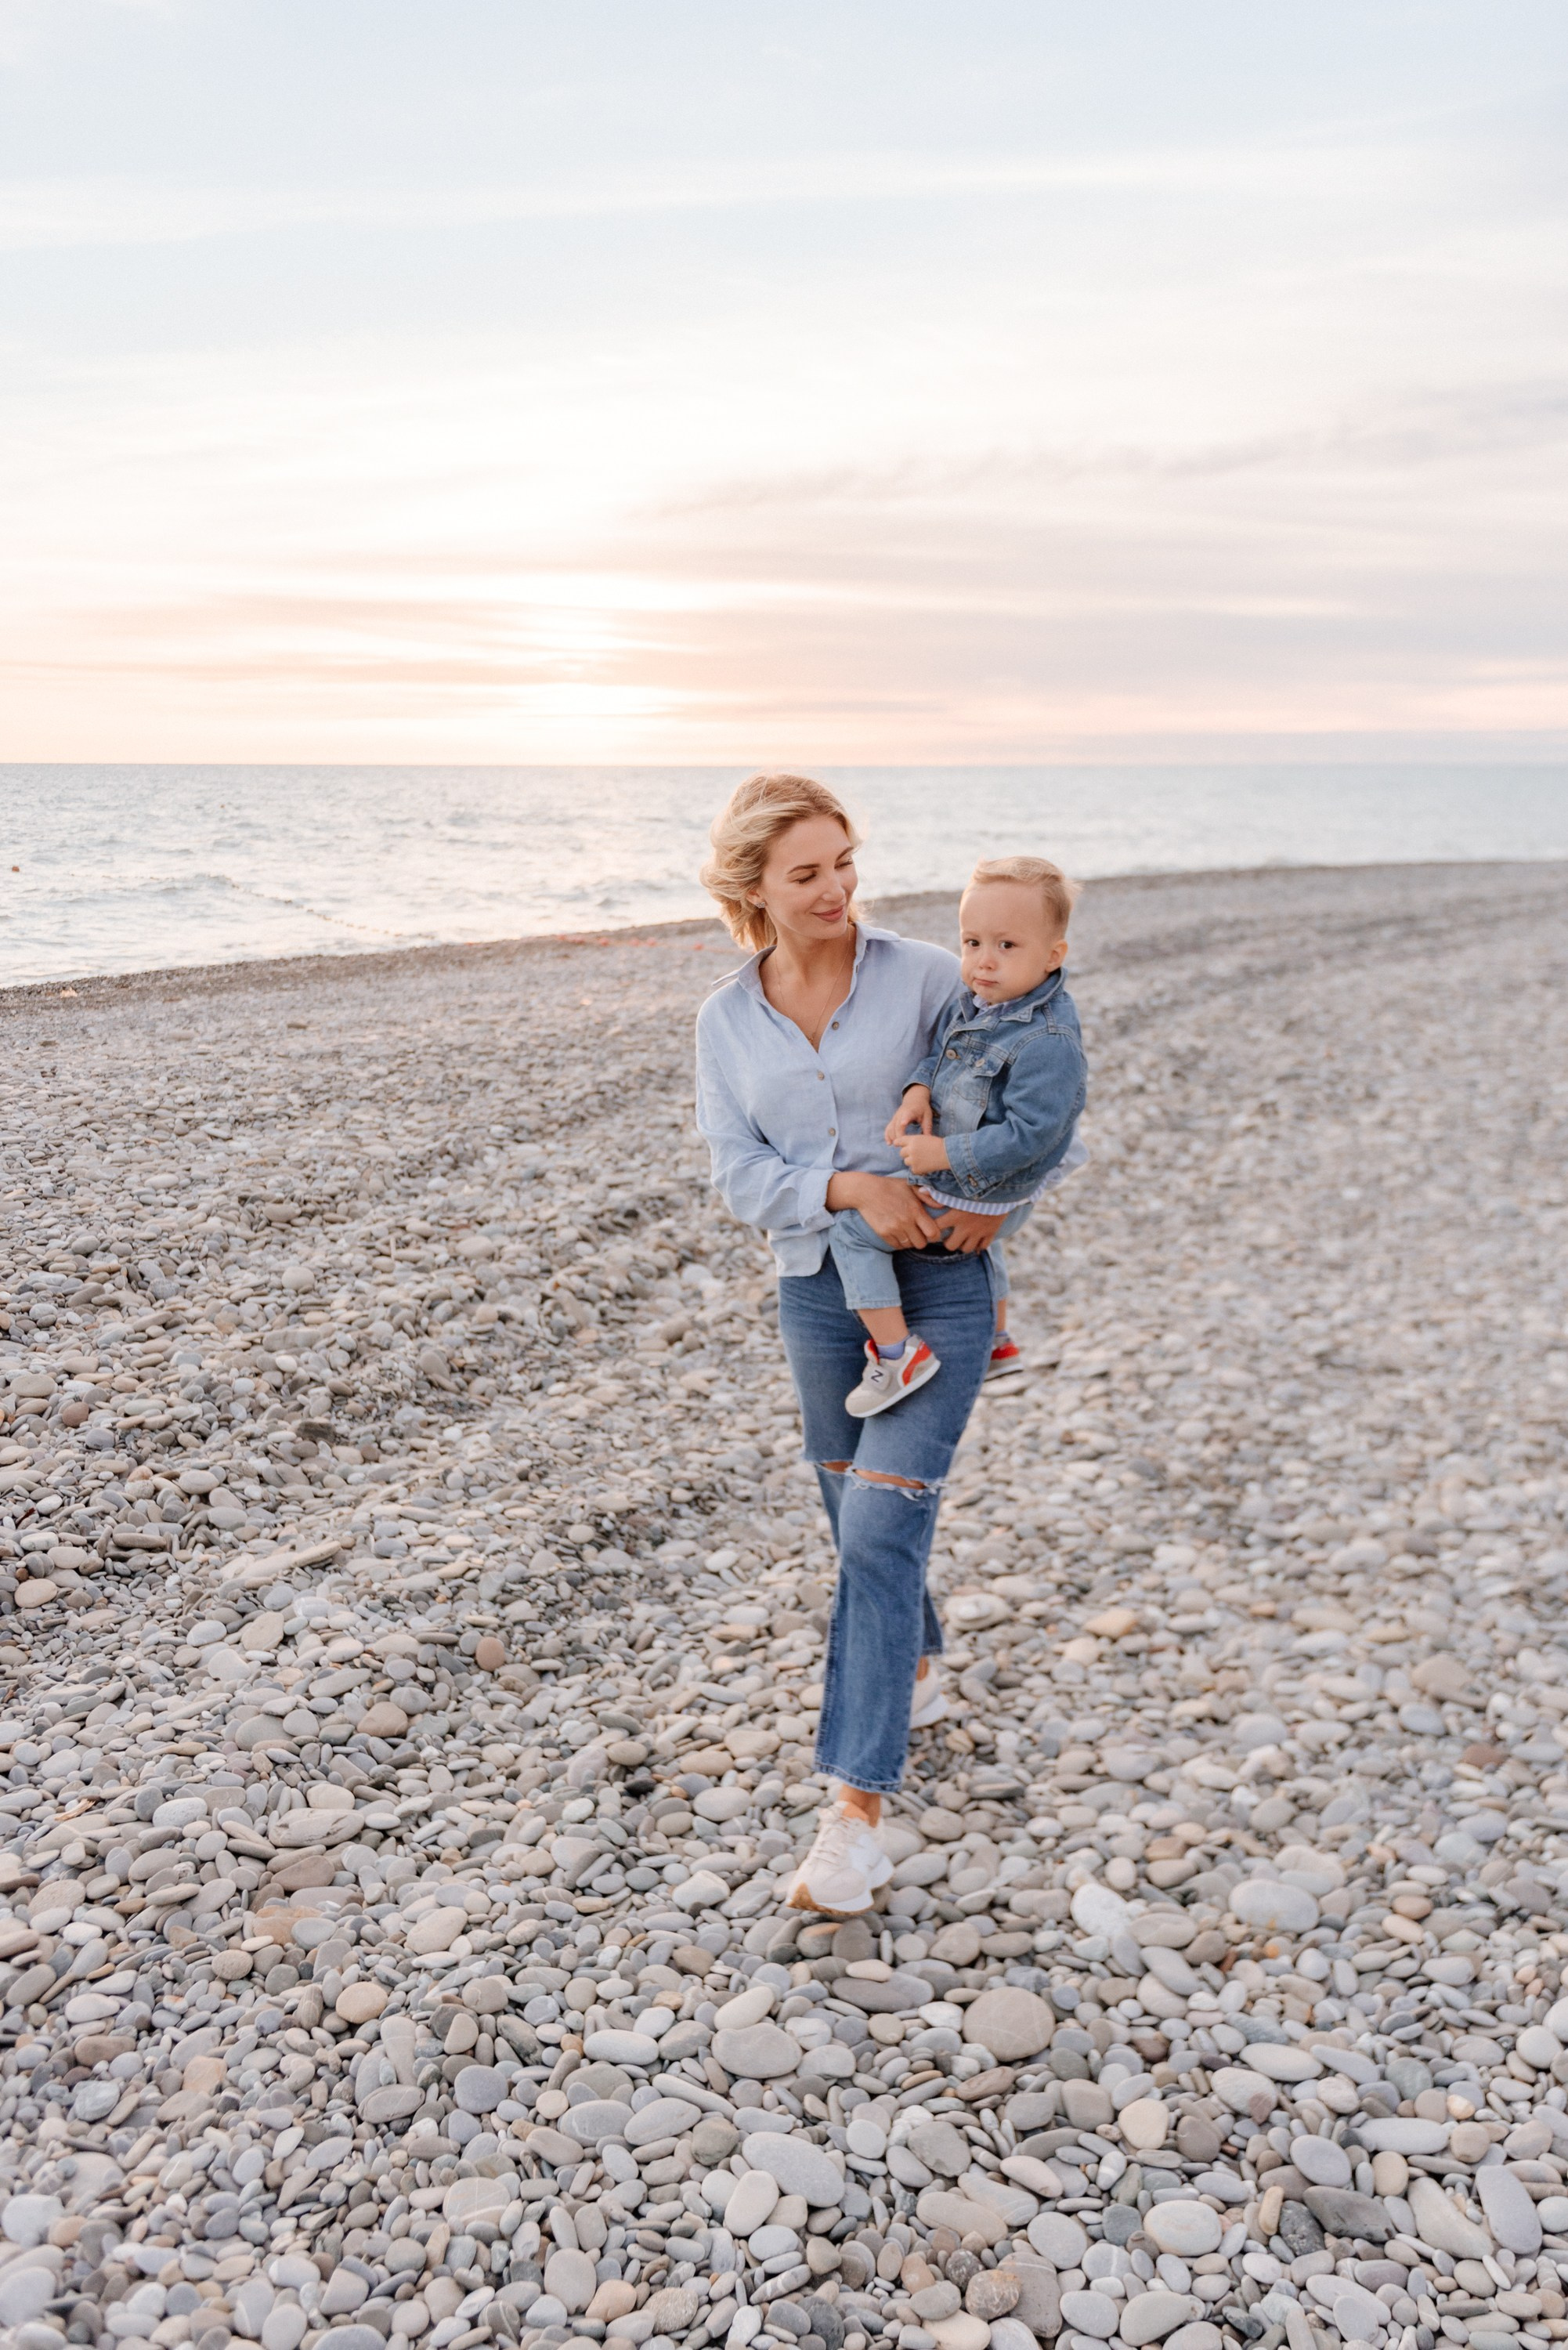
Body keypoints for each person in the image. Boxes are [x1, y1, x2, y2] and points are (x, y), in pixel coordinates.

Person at [694, 772, 1006, 1914]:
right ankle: (915, 1654)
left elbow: (1036, 1094)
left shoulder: (929, 977)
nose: (836, 889)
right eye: (806, 873)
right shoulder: (726, 1022)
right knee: (853, 1514)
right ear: (754, 888)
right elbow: (737, 1173)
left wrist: (996, 1206)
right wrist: (842, 1191)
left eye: (843, 863)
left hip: (943, 1291)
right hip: (818, 1300)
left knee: (877, 1519)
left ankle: (852, 1815)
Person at [827, 855, 1088, 1414]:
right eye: (972, 943)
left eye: (1007, 946)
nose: (983, 963)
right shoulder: (978, 1003)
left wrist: (944, 1151)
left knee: (852, 1233)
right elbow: (940, 1056)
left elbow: (1033, 1135)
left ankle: (898, 1355)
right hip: (977, 1182)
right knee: (961, 1240)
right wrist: (917, 1092)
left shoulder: (1048, 1042)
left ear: (1053, 955)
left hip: (986, 1185)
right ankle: (998, 1342)